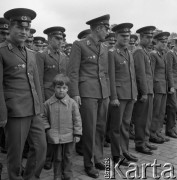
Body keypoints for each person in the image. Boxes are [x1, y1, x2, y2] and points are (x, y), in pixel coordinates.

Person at [0, 8, 47, 179]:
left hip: (34, 109)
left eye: (27, 29)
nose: (24, 32)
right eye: (20, 28)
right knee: (15, 154)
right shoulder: (2, 51)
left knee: (41, 147)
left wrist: (40, 107)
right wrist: (2, 114)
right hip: (15, 111)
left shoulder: (31, 53)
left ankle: (31, 176)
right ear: (10, 28)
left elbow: (37, 83)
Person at [68, 14, 110, 178]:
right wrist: (75, 93)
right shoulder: (80, 45)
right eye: (106, 28)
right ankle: (88, 163)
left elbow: (105, 72)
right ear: (99, 28)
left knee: (100, 128)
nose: (108, 32)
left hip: (102, 93)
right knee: (90, 129)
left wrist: (107, 93)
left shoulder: (104, 47)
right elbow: (73, 71)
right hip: (87, 93)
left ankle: (98, 158)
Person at [36, 26, 68, 170]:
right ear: (49, 39)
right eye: (57, 38)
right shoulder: (42, 55)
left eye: (61, 38)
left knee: (61, 127)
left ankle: (58, 157)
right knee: (49, 128)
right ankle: (47, 158)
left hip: (62, 96)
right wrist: (42, 100)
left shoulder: (64, 56)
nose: (60, 41)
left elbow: (66, 79)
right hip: (48, 96)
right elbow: (39, 79)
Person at [42, 74, 82, 180]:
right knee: (58, 157)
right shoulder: (48, 103)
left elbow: (77, 119)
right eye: (58, 87)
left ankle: (68, 174)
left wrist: (77, 133)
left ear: (67, 89)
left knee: (68, 156)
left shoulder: (72, 103)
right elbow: (43, 117)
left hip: (69, 135)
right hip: (55, 136)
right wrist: (47, 129)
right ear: (54, 88)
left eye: (64, 88)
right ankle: (57, 175)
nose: (61, 90)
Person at [109, 23, 138, 165]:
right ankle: (117, 154)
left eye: (128, 36)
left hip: (130, 94)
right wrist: (113, 96)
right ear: (116, 36)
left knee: (126, 125)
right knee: (116, 127)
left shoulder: (129, 52)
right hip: (119, 96)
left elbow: (132, 75)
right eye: (123, 36)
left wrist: (135, 93)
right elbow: (111, 77)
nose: (127, 38)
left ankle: (125, 151)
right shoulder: (112, 53)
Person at [133, 26, 157, 155]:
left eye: (151, 37)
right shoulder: (138, 52)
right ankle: (140, 143)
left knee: (147, 117)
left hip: (149, 89)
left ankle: (146, 140)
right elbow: (140, 74)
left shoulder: (145, 51)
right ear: (141, 38)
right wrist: (143, 91)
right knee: (141, 118)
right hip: (144, 90)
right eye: (147, 37)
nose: (150, 39)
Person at [149, 32, 170, 143]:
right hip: (157, 87)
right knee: (155, 111)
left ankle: (158, 132)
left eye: (166, 42)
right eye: (162, 42)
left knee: (161, 112)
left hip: (163, 86)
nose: (164, 44)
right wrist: (151, 88)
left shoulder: (163, 54)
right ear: (156, 42)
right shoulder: (153, 54)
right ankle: (152, 134)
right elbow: (151, 72)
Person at [166, 37, 177, 138]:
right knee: (172, 107)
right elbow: (169, 70)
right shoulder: (170, 53)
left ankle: (173, 127)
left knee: (175, 107)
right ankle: (169, 129)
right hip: (173, 84)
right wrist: (171, 86)